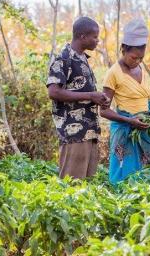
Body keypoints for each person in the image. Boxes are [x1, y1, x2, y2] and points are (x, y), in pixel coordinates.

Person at [47, 16, 109, 179]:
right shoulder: (63, 59)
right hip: (74, 133)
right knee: (71, 185)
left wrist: (98, 98)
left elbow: (80, 91)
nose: (97, 41)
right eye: (94, 37)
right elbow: (53, 92)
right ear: (82, 37)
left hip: (89, 131)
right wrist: (90, 95)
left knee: (86, 185)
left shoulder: (82, 59)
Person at [100, 19, 150, 184]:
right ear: (124, 49)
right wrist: (129, 120)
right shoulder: (113, 73)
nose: (137, 62)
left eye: (141, 58)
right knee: (122, 173)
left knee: (144, 174)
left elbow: (143, 99)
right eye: (134, 57)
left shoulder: (141, 69)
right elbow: (103, 110)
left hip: (142, 128)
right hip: (124, 129)